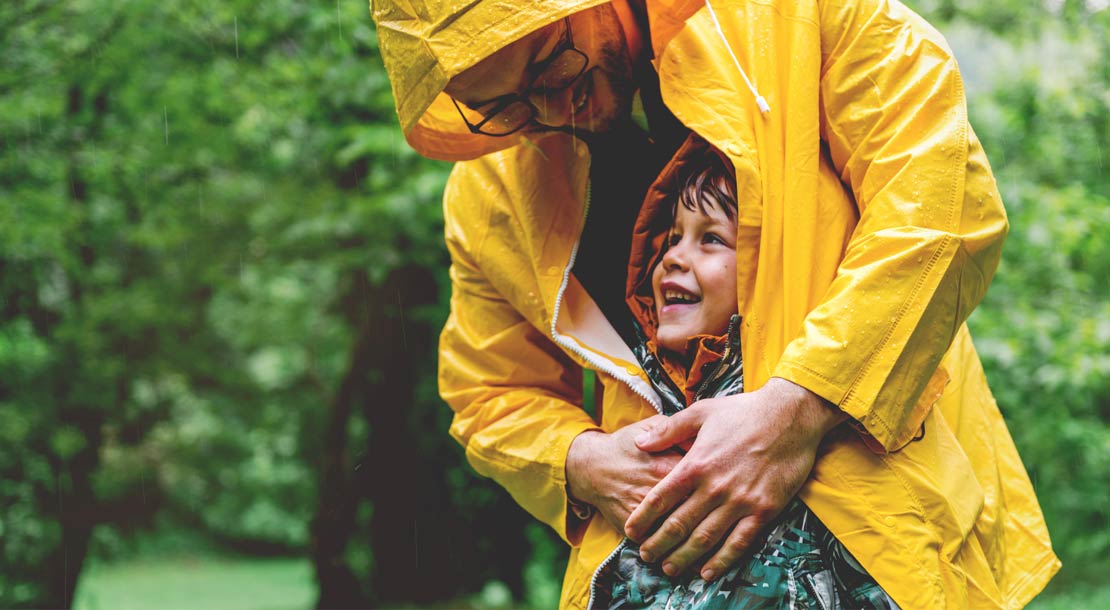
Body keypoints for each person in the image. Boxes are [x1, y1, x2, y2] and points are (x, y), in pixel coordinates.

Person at [371, 0, 1060, 608]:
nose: (551, 111)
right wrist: (580, 461)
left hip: (882, 546)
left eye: (552, 65)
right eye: (505, 107)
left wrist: (800, 408)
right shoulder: (489, 193)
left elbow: (940, 208)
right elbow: (489, 390)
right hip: (654, 576)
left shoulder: (802, 16)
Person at [596, 134, 899, 609]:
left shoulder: (816, 399)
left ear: (765, 271)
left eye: (710, 239)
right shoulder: (639, 387)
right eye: (673, 237)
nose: (672, 256)